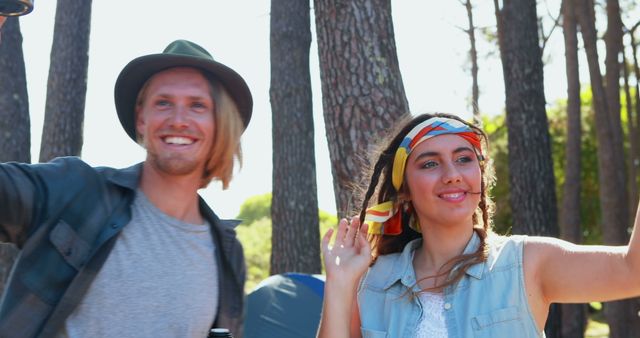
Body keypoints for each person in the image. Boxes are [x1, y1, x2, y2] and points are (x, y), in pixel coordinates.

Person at [0, 39, 252, 338]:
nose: (179, 120)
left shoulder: (227, 254)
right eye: (163, 103)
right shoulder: (75, 191)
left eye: (197, 105)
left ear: (219, 124)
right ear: (141, 119)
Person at [317, 112, 640, 337]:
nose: (452, 173)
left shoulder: (526, 263)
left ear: (481, 178)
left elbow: (632, 271)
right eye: (430, 163)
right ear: (404, 192)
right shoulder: (373, 282)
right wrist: (340, 283)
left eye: (464, 159)